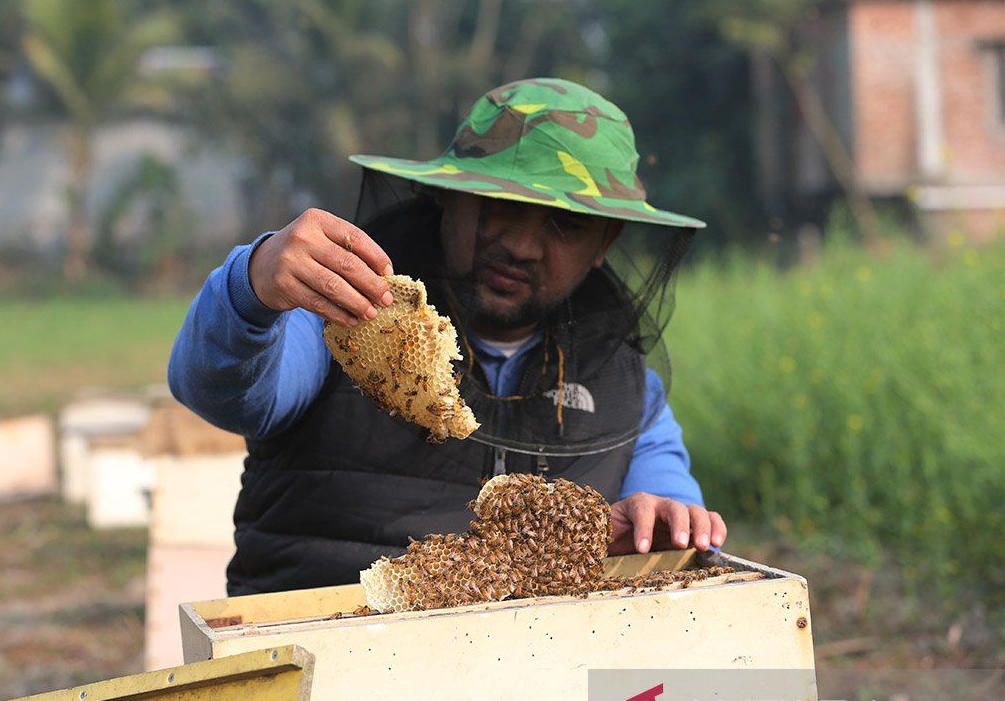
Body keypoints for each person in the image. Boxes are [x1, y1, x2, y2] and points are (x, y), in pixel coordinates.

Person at [169, 77, 726, 596]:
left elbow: (669, 507)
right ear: (445, 196)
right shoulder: (334, 320)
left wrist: (666, 516)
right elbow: (220, 392)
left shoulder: (630, 391)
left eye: (566, 225)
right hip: (316, 654)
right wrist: (251, 285)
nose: (523, 247)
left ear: (605, 242)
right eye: (502, 208)